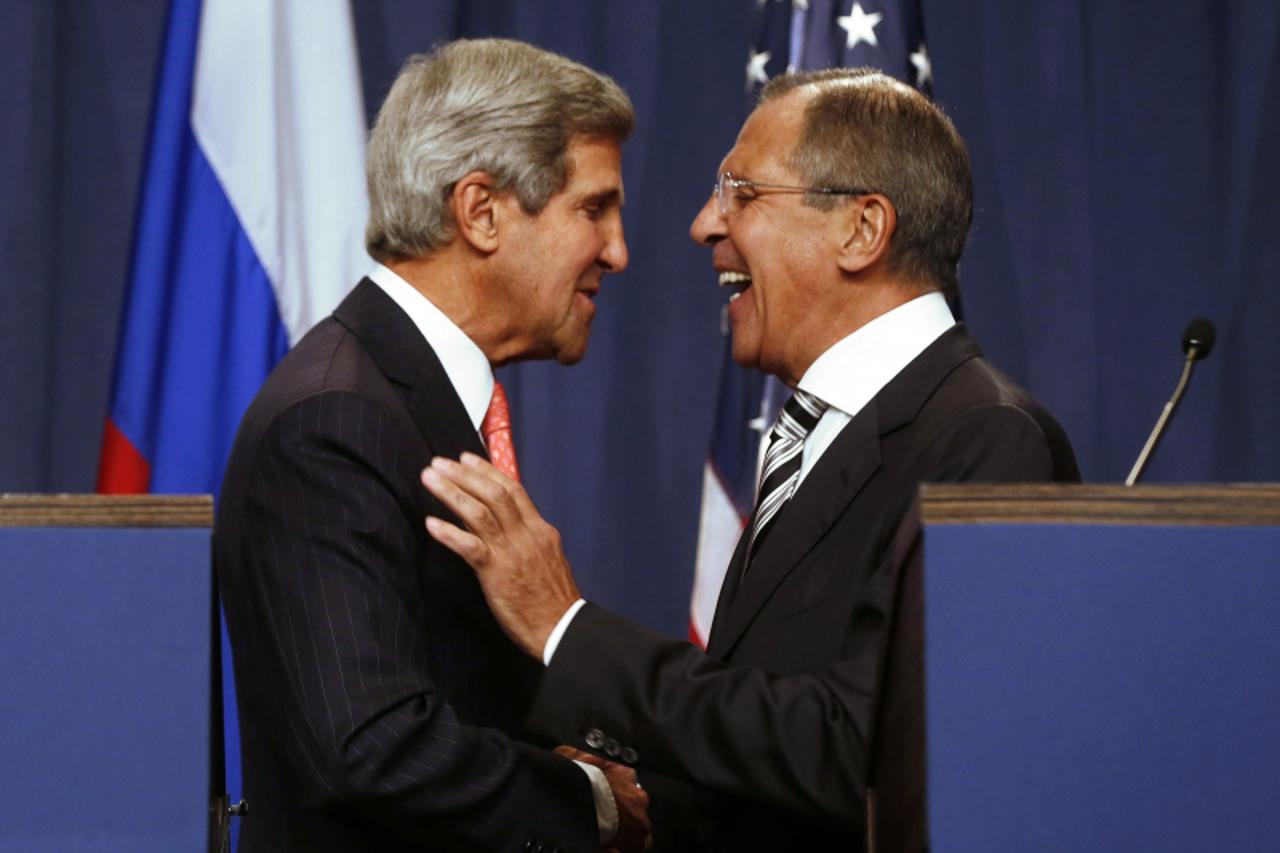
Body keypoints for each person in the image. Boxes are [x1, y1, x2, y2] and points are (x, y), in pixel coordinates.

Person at [420, 66, 1081, 851]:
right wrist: (621, 801)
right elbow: (766, 747)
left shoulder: (987, 439)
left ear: (861, 229)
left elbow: (862, 752)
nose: (705, 224)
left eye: (741, 192)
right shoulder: (821, 431)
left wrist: (568, 628)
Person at [215, 39, 650, 852]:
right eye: (593, 208)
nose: (618, 251)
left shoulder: (412, 398)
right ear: (480, 211)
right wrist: (586, 800)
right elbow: (368, 743)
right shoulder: (334, 420)